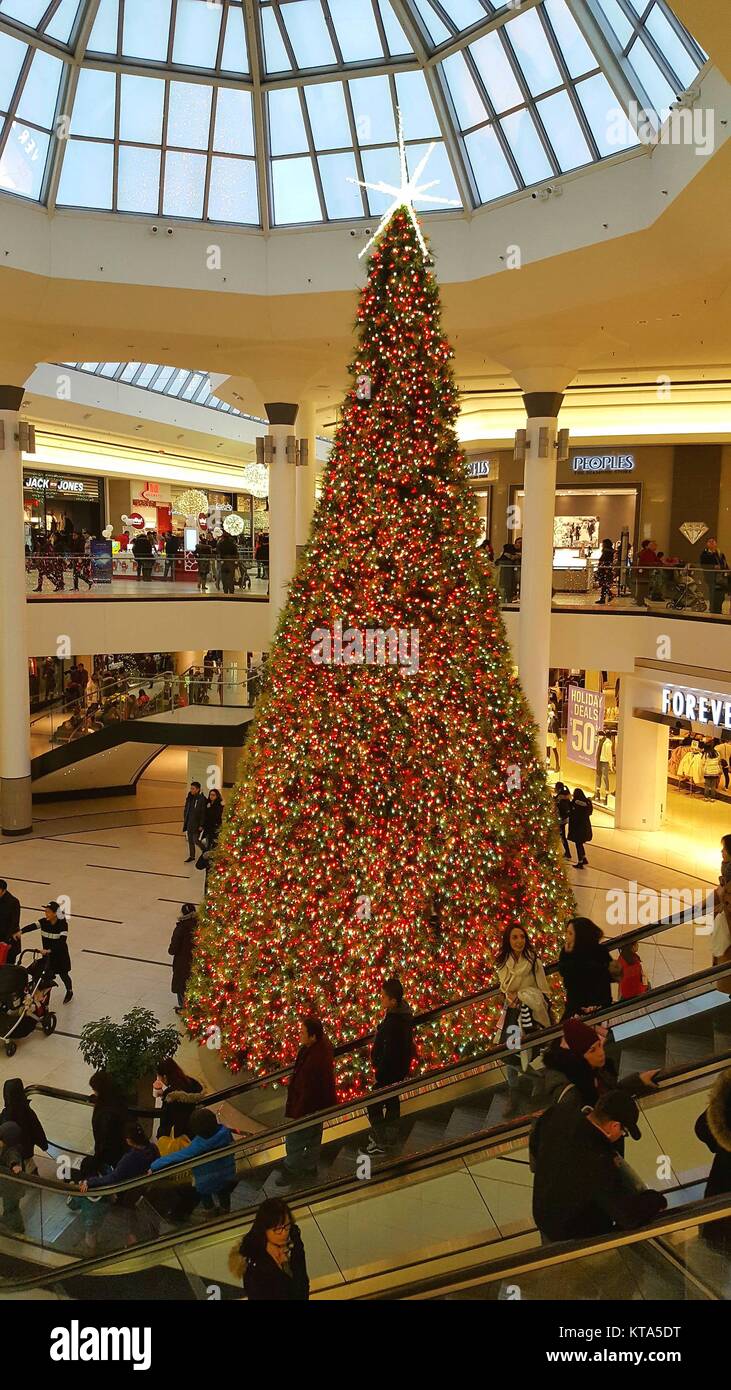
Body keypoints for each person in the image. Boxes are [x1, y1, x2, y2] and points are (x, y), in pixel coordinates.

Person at [530, 1089, 666, 1243]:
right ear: (614, 1126)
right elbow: (627, 1216)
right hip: (573, 1235)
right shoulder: (597, 1158)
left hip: (544, 1215)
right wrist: (654, 1200)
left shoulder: (557, 1114)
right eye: (624, 1131)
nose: (621, 1136)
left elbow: (535, 1144)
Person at [541, 1017, 659, 1116]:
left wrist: (639, 1081)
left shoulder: (593, 1071)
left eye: (600, 1046)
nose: (601, 1053)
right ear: (578, 1057)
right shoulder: (569, 1092)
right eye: (592, 1050)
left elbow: (610, 1098)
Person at [495, 925, 552, 1114]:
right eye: (514, 937)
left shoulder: (532, 960)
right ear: (508, 940)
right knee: (510, 1053)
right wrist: (511, 998)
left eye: (522, 937)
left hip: (529, 1014)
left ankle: (534, 1082)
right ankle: (521, 1087)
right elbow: (505, 988)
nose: (519, 941)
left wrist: (524, 996)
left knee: (525, 1052)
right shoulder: (503, 963)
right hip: (512, 1014)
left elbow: (543, 988)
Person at [275, 1017, 337, 1184]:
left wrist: (297, 1113)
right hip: (318, 1106)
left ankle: (291, 1170)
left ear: (313, 1037)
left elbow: (308, 1091)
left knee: (295, 1137)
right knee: (314, 1136)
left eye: (302, 1032)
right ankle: (310, 1167)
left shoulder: (314, 1062)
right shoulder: (320, 1047)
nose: (299, 1035)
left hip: (307, 1108)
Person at [149, 1108, 236, 1215]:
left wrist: (154, 1166)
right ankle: (225, 1211)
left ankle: (210, 1211)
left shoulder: (198, 1145)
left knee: (205, 1195)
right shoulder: (225, 1133)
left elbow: (177, 1156)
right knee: (224, 1193)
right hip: (226, 1173)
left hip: (205, 1179)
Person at [366, 977, 415, 1155]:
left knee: (374, 1103)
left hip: (389, 1071)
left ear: (393, 1001)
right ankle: (389, 1138)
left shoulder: (396, 1023)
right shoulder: (400, 1016)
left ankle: (382, 1139)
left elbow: (390, 1051)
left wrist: (378, 1071)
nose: (381, 999)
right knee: (392, 1101)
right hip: (397, 1069)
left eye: (383, 997)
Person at [229, 1198, 309, 1301]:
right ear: (264, 1229)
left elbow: (302, 1283)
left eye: (287, 1226)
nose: (284, 1233)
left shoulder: (293, 1243)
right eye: (277, 1229)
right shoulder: (255, 1268)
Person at [557, 917, 615, 1019]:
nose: (567, 937)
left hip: (598, 1009)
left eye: (570, 933)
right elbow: (565, 974)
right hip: (575, 1009)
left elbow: (609, 976)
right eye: (567, 933)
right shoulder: (567, 952)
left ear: (580, 935)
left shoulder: (598, 951)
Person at [18, 900, 73, 1002]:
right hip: (47, 956)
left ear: (55, 913)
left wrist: (50, 950)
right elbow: (33, 926)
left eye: (48, 911)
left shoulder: (62, 924)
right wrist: (21, 931)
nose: (45, 913)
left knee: (63, 974)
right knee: (42, 973)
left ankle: (69, 990)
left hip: (60, 955)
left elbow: (62, 942)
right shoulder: (44, 922)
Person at [0, 1078, 48, 1171]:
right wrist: (43, 1145)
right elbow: (37, 1130)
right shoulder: (28, 1112)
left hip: (9, 1155)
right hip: (26, 1153)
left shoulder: (6, 1113)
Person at [152, 1058, 204, 1139]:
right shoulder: (191, 1082)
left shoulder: (171, 1097)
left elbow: (165, 1120)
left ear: (165, 1077)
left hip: (183, 1134)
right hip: (197, 1126)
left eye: (159, 1077)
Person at [168, 903, 197, 1012]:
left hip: (183, 961)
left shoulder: (181, 928)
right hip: (197, 959)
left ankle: (184, 1007)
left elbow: (173, 948)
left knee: (181, 984)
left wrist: (171, 951)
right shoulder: (200, 925)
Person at [0, 1121, 24, 1232]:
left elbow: (13, 1159)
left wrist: (14, 1165)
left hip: (12, 1188)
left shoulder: (11, 1151)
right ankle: (7, 1219)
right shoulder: (5, 1148)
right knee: (9, 1206)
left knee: (12, 1208)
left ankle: (17, 1228)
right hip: (6, 1186)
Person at [699, 537, 727, 614]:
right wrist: (713, 567)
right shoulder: (704, 554)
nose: (711, 543)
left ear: (716, 543)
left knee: (721, 594)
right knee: (713, 593)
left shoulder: (720, 554)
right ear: (707, 544)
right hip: (711, 577)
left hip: (721, 577)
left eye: (713, 541)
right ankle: (713, 609)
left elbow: (724, 564)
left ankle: (719, 608)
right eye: (709, 541)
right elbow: (703, 565)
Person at [567, 787, 593, 868]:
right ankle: (584, 858)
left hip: (578, 828)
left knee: (578, 844)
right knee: (580, 844)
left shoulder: (576, 803)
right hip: (585, 827)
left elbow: (573, 815)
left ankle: (580, 862)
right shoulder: (587, 803)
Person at [182, 780, 206, 863]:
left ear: (198, 789)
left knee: (196, 839)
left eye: (193, 789)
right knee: (190, 840)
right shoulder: (189, 798)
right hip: (189, 822)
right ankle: (192, 856)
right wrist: (185, 817)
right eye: (191, 788)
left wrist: (201, 824)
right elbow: (186, 808)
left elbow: (203, 812)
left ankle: (205, 850)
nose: (191, 790)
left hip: (196, 823)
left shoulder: (201, 799)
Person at [0, 880, 21, 964]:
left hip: (9, 941)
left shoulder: (13, 902)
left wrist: (6, 941)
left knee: (7, 967)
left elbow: (14, 923)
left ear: (4, 890)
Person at [594, 729, 614, 806]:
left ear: (600, 736)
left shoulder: (607, 743)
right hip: (599, 761)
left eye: (598, 736)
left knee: (605, 778)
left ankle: (606, 796)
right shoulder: (599, 742)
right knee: (598, 777)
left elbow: (609, 754)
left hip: (604, 762)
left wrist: (610, 764)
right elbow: (597, 752)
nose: (597, 737)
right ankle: (597, 794)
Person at [554, 783, 571, 859]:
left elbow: (555, 806)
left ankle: (567, 852)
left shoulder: (559, 797)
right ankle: (566, 852)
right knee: (561, 836)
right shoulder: (566, 795)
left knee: (561, 836)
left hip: (559, 819)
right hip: (565, 819)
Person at [595, 537, 615, 605]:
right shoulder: (610, 551)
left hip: (604, 570)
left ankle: (606, 596)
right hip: (606, 570)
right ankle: (605, 597)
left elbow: (604, 560)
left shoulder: (607, 552)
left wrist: (601, 567)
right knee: (604, 584)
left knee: (604, 584)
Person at [546, 700, 560, 772]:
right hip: (548, 734)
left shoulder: (554, 719)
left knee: (554, 750)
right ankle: (547, 764)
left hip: (552, 735)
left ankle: (557, 765)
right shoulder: (546, 718)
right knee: (547, 750)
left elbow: (557, 728)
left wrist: (559, 737)